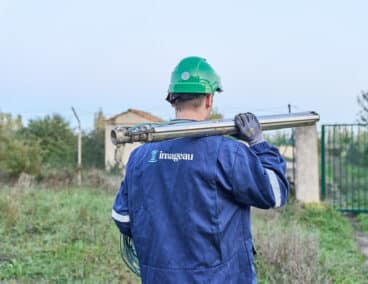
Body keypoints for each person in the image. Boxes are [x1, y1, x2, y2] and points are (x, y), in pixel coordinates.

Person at [112, 56, 289, 284]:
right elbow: (275, 193)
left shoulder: (141, 156)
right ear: (209, 98)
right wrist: (258, 144)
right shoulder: (228, 153)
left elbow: (122, 218)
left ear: (172, 99)